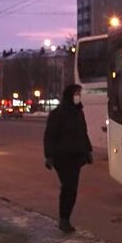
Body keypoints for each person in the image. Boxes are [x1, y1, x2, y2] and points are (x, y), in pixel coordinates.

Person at [44, 84, 92, 233]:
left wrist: (88, 151)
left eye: (79, 93)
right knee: (68, 187)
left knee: (72, 189)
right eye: (76, 93)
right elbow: (49, 136)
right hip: (62, 157)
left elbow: (83, 132)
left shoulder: (79, 113)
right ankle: (64, 219)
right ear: (70, 95)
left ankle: (66, 218)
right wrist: (49, 156)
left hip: (77, 156)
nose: (78, 96)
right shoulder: (57, 113)